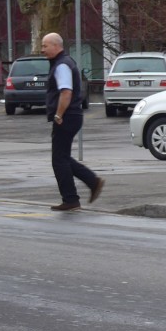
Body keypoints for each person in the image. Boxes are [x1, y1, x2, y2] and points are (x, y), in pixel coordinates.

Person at [41, 32, 104, 211]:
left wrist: (59, 115)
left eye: (45, 46)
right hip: (72, 115)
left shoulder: (62, 66)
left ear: (56, 46)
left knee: (59, 160)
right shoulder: (63, 63)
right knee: (63, 157)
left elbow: (66, 92)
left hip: (67, 116)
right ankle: (92, 182)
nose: (42, 49)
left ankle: (71, 199)